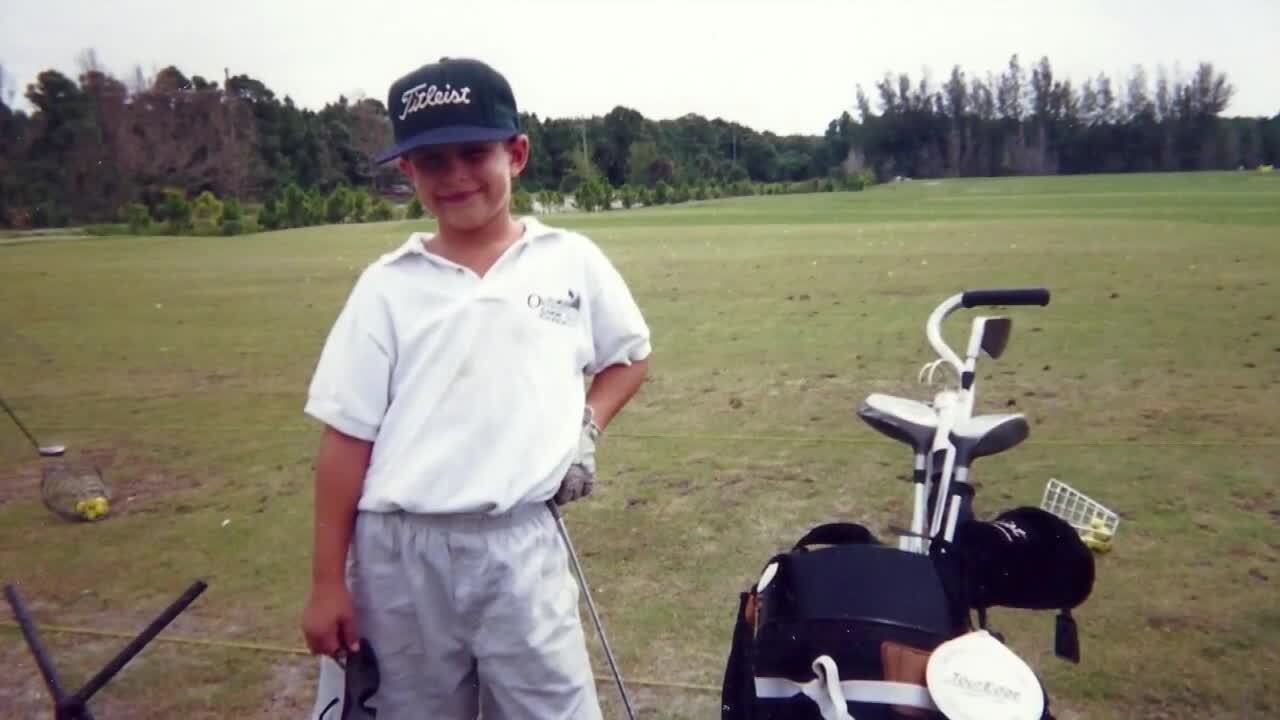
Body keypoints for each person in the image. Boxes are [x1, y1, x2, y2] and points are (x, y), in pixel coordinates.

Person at [299, 56, 652, 719]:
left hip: (522, 541)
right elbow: (346, 439)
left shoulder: (569, 260)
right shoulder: (387, 286)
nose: (456, 175)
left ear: (516, 154)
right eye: (433, 161)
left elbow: (630, 358)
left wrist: (587, 427)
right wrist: (326, 583)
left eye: (473, 153)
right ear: (409, 172)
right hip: (399, 555)